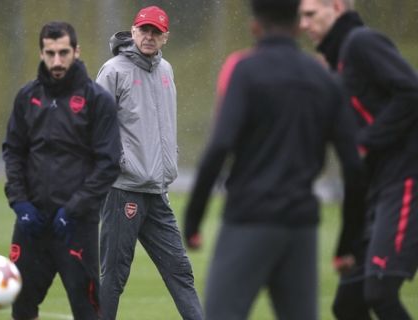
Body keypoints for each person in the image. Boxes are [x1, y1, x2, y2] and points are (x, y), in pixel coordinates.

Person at [183, 0, 365, 318]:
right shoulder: (323, 78)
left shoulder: (245, 70)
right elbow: (353, 164)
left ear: (255, 26)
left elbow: (219, 146)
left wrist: (194, 219)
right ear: (297, 25)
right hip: (300, 224)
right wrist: (347, 243)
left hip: (248, 218)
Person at [300, 1, 418, 319]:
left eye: (310, 14)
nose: (303, 24)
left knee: (380, 291)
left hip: (406, 179)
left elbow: (411, 92)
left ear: (337, 7)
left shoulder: (360, 42)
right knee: (348, 305)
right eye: (300, 16)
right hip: (377, 189)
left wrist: (365, 143)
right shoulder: (337, 63)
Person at [2, 21, 121, 320]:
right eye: (50, 53)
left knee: (87, 309)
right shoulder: (26, 97)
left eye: (63, 52)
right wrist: (20, 203)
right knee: (22, 306)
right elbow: (13, 152)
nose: (57, 61)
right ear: (41, 53)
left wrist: (74, 209)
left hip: (76, 226)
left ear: (76, 51)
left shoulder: (98, 101)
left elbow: (108, 164)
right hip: (32, 223)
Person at [95, 6, 203, 320]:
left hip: (157, 191)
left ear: (165, 36)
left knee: (180, 271)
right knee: (113, 277)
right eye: (144, 30)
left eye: (156, 32)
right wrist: (121, 163)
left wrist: (169, 162)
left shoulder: (166, 71)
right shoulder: (113, 70)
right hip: (122, 191)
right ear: (133, 30)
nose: (149, 37)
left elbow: (163, 126)